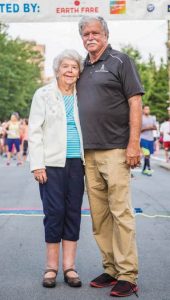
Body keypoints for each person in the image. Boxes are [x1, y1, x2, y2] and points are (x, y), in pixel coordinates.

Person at [77, 16, 144, 298]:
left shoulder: (121, 60)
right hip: (87, 153)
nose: (90, 37)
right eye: (85, 33)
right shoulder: (81, 66)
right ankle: (111, 268)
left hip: (116, 149)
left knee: (121, 214)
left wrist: (133, 144)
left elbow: (135, 101)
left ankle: (127, 274)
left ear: (105, 34)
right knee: (100, 217)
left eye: (95, 32)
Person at [28, 49, 84, 288]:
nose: (70, 70)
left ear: (79, 72)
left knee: (73, 213)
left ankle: (69, 267)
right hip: (51, 164)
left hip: (77, 163)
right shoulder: (44, 94)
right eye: (65, 66)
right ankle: (51, 268)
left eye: (74, 67)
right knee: (54, 213)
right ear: (57, 70)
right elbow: (34, 130)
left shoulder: (84, 95)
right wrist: (37, 164)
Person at [140, 105, 157, 176]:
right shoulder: (141, 118)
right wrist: (147, 127)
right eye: (146, 109)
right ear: (143, 110)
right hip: (143, 138)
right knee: (146, 154)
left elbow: (155, 127)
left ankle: (144, 170)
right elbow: (140, 129)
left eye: (148, 109)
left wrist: (151, 127)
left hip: (150, 138)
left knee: (148, 155)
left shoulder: (152, 118)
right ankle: (149, 169)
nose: (147, 110)